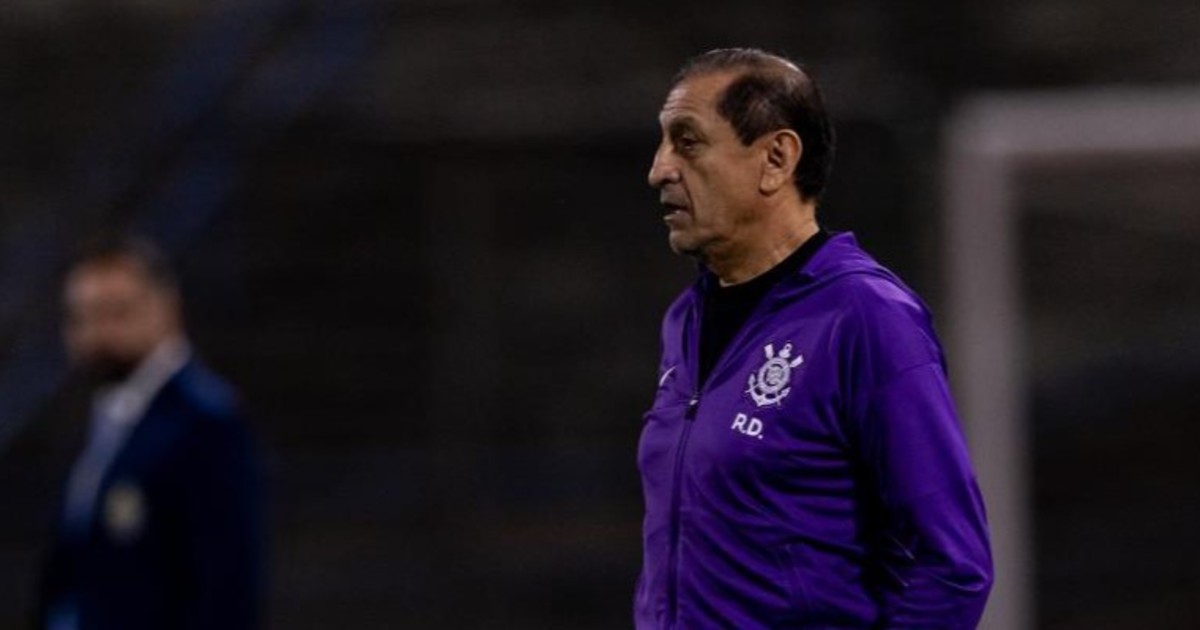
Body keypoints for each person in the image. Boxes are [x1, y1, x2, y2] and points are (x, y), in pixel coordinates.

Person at [636, 48, 992, 628]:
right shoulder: (685, 319)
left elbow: (953, 566)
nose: (659, 169)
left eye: (688, 142)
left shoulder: (867, 317)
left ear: (776, 158)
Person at [38, 237, 262, 630]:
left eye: (117, 312)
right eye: (82, 316)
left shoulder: (205, 423)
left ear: (167, 308)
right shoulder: (108, 417)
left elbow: (226, 584)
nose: (97, 333)